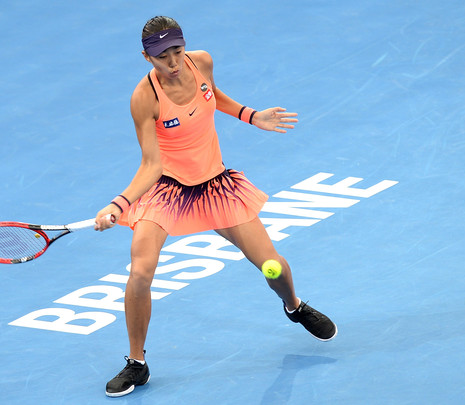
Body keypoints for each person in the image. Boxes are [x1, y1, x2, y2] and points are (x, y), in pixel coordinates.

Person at [94, 16, 337, 398]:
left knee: (274, 264)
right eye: (162, 57)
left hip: (216, 186)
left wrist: (250, 115)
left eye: (176, 51)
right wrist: (119, 203)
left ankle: (294, 307)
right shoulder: (145, 97)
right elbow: (150, 164)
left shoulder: (201, 61)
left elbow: (212, 93)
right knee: (140, 271)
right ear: (146, 57)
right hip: (166, 191)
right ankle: (137, 364)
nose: (172, 62)